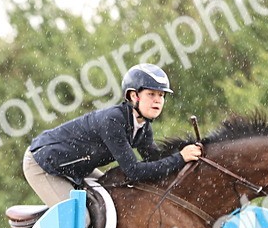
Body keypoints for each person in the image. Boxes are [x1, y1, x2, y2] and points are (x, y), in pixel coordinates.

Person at [22, 63, 203, 206]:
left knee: (112, 201)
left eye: (161, 95)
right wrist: (180, 157)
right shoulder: (113, 121)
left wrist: (189, 153)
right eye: (151, 94)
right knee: (81, 220)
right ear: (134, 96)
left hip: (77, 166)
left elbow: (154, 161)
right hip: (43, 164)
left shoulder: (143, 127)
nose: (158, 100)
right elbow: (133, 171)